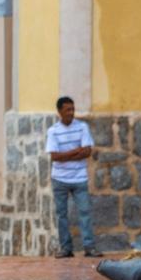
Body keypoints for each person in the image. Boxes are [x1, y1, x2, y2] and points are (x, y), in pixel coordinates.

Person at [46, 96, 100, 258]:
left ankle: (89, 247)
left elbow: (87, 152)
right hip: (59, 179)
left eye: (72, 109)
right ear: (59, 111)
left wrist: (66, 154)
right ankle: (66, 248)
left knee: (85, 212)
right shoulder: (53, 131)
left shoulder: (82, 127)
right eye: (67, 109)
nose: (71, 113)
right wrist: (76, 151)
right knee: (62, 214)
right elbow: (55, 156)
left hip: (79, 177)